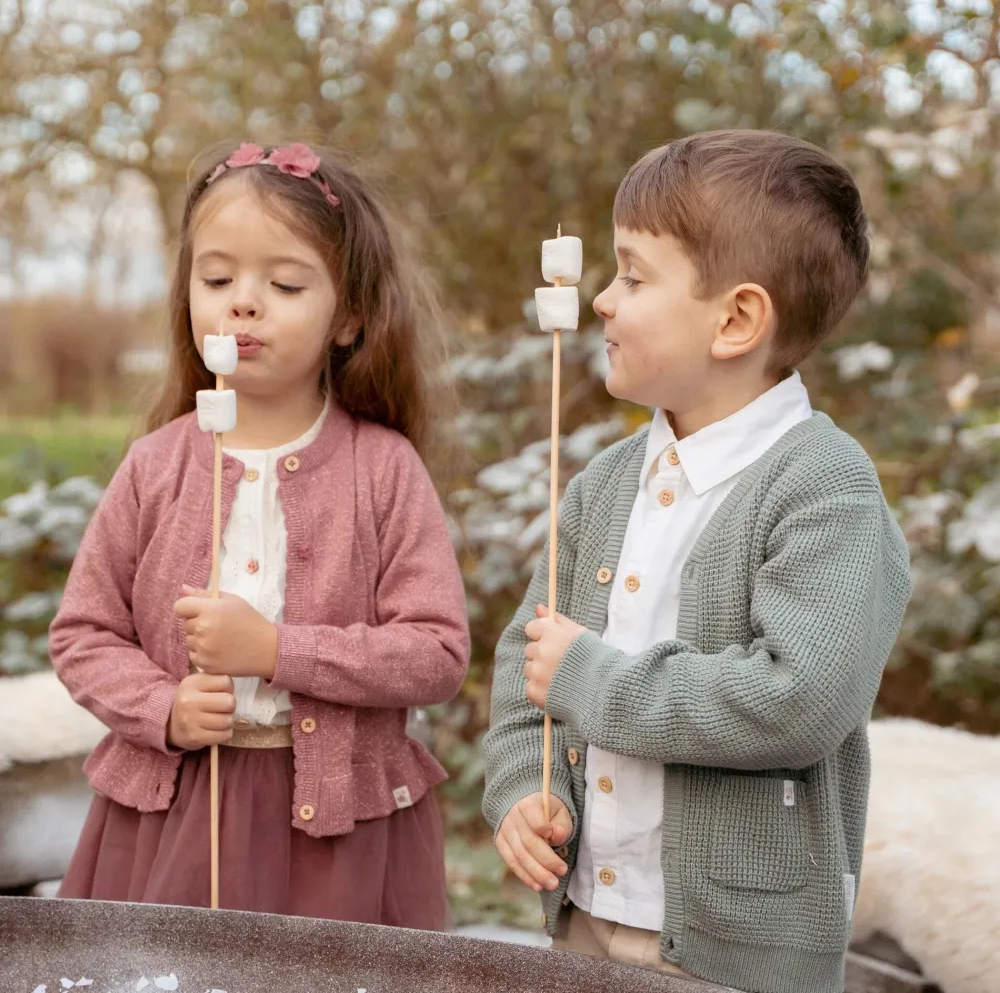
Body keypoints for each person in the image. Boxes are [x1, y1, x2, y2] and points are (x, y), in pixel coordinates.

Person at [482, 129, 912, 993]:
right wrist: (519, 792)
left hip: (738, 953)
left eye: (634, 277)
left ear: (737, 320)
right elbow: (531, 659)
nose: (603, 301)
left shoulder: (826, 489)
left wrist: (594, 683)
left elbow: (799, 699)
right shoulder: (604, 484)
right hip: (588, 917)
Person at [51, 141, 470, 928]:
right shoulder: (156, 465)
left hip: (335, 827)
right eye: (216, 279)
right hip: (174, 814)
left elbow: (436, 652)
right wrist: (162, 705)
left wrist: (277, 651)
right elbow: (84, 632)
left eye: (283, 283)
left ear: (348, 316)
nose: (243, 302)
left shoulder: (383, 468)